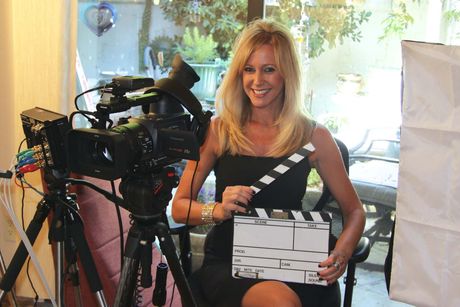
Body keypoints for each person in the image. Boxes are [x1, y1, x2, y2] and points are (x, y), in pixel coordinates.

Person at [172, 18, 365, 307]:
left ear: (287, 74)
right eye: (249, 69)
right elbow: (179, 207)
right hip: (231, 264)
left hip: (298, 264)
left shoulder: (314, 136)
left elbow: (355, 212)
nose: (257, 81)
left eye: (269, 70)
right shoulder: (218, 131)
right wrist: (218, 210)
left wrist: (343, 251)